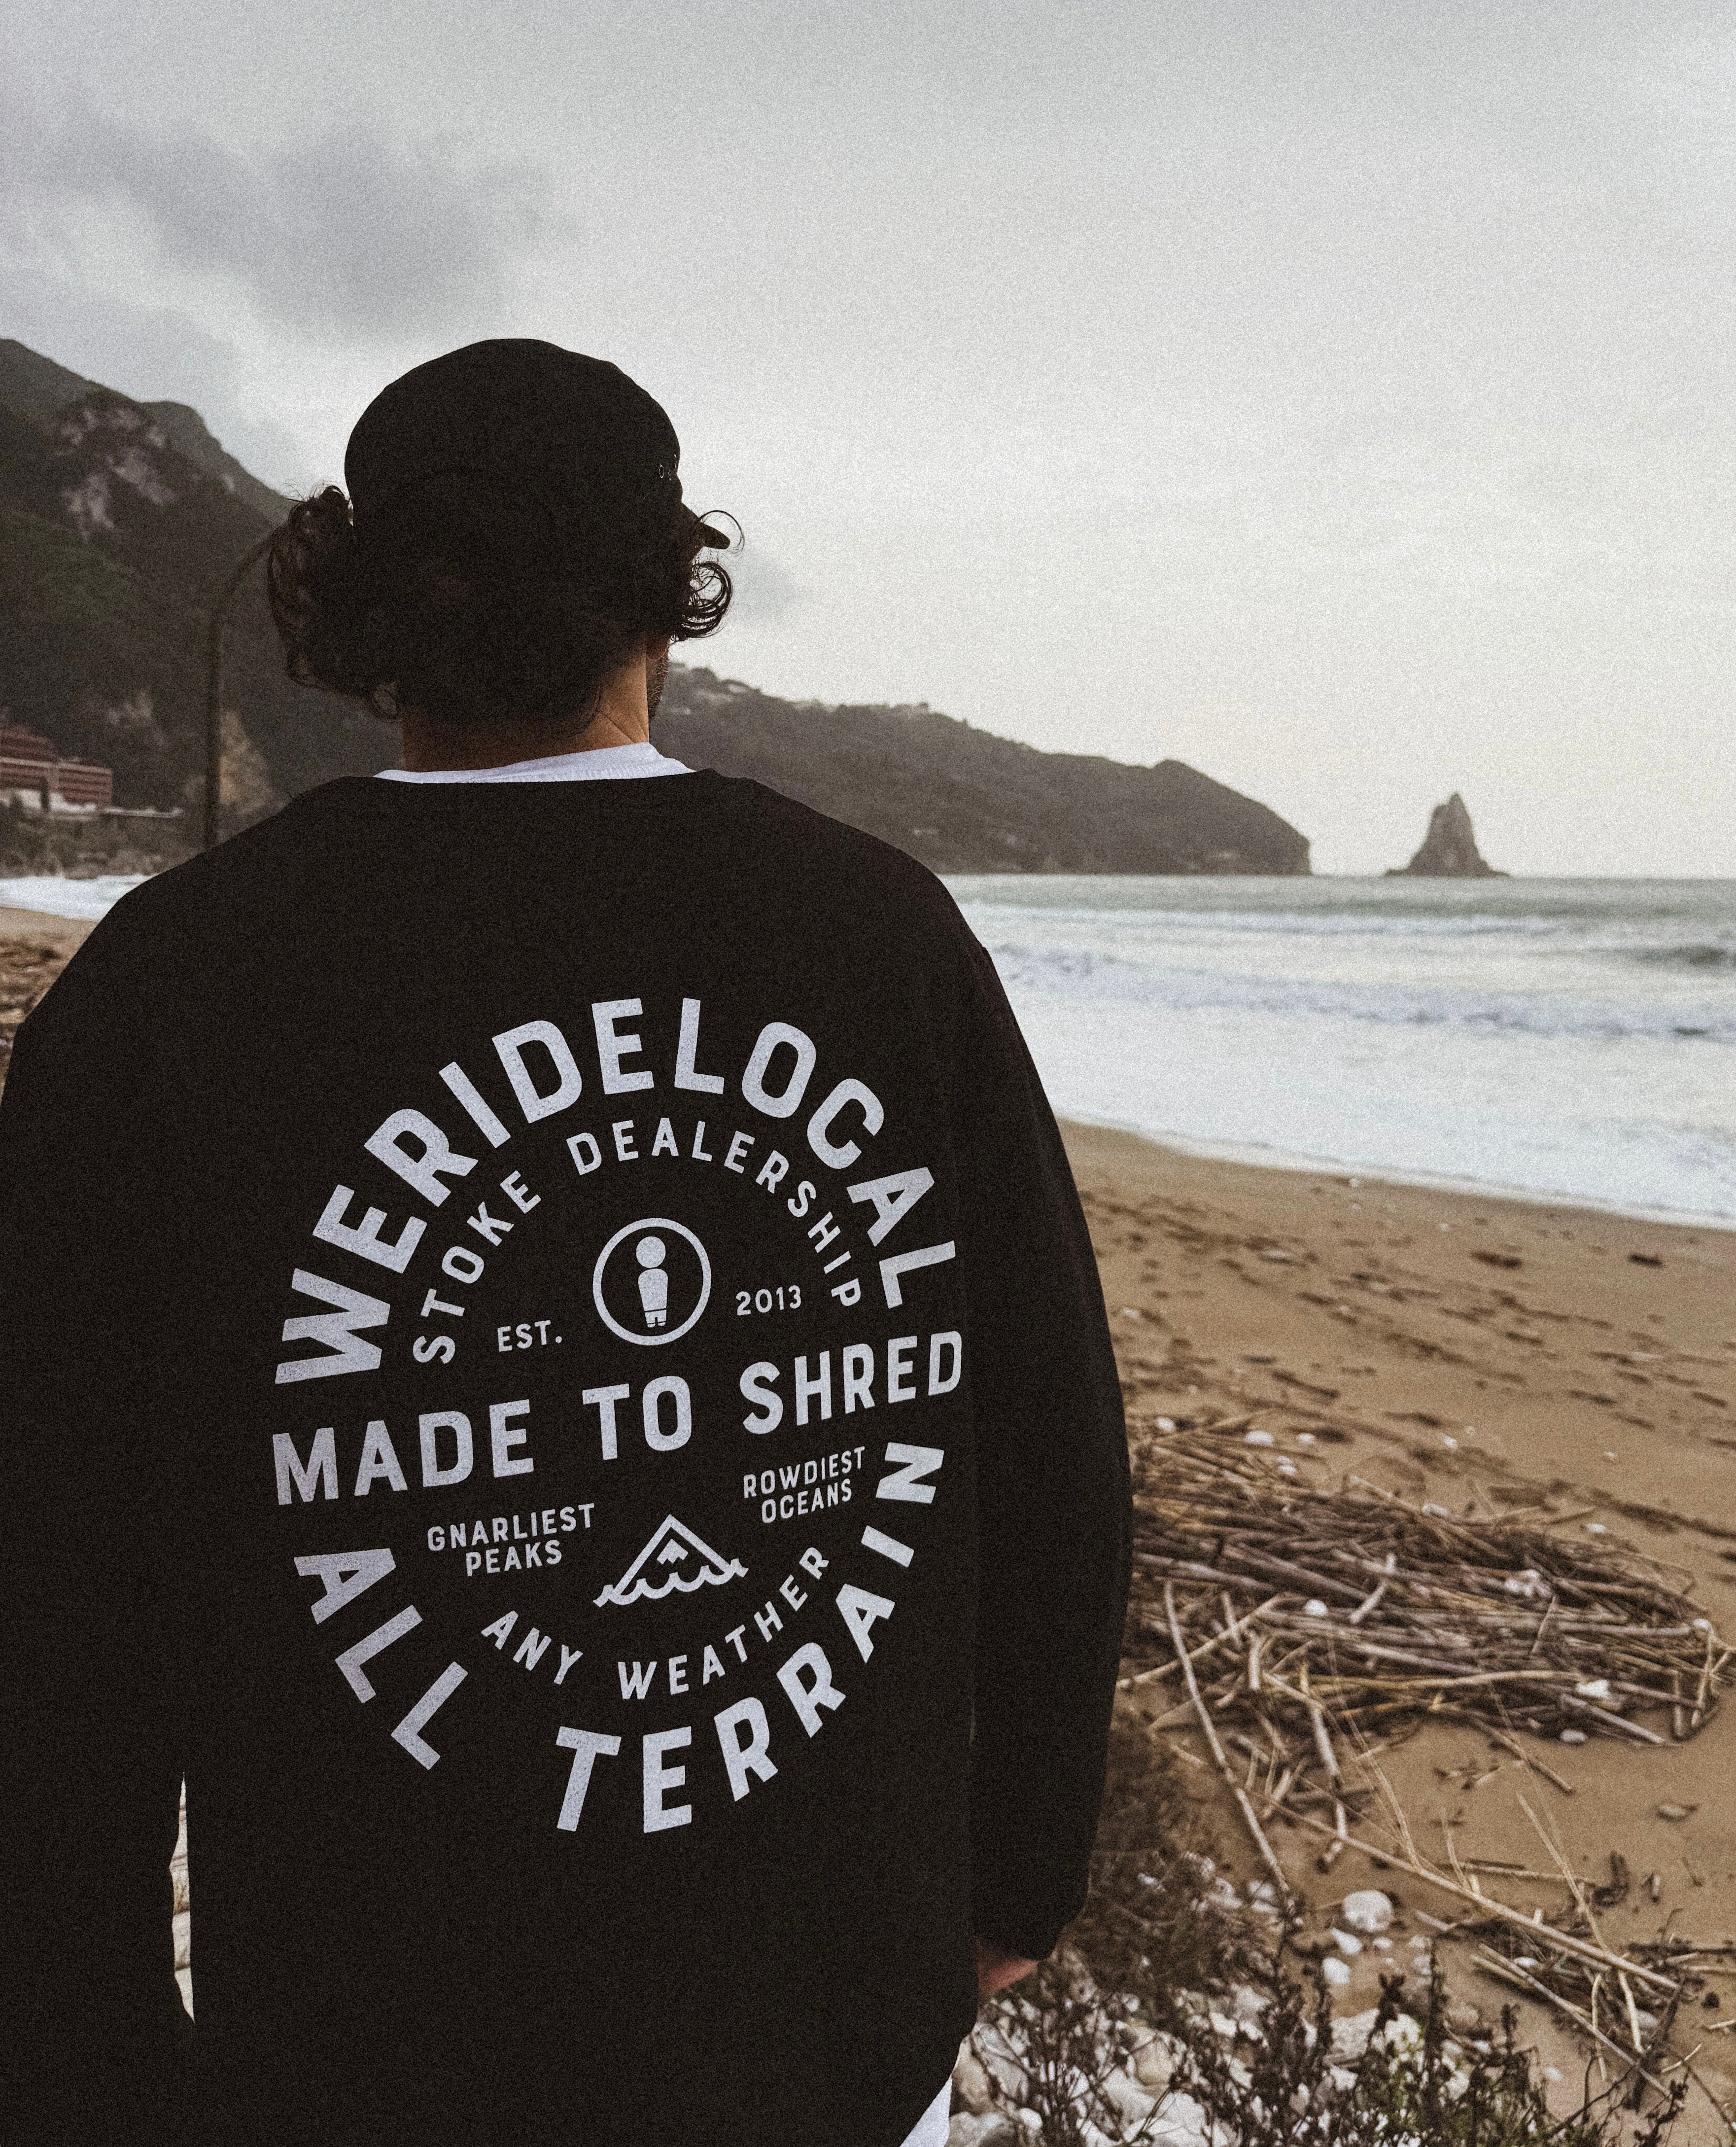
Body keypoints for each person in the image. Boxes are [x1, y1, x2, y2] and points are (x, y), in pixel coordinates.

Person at [0, 339, 1131, 2147]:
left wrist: (89, 2041)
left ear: (368, 616)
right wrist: (1017, 1873)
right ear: (666, 596)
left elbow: (58, 1582)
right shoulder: (876, 935)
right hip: (826, 2025)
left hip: (366, 2049)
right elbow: (1052, 1440)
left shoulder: (173, 983)